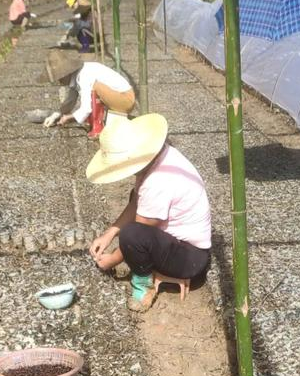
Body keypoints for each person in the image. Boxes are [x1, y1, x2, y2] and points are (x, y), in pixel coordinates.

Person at [87, 114, 211, 312]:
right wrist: (109, 234)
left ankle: (143, 285)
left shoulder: (158, 181)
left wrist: (111, 260)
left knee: (132, 235)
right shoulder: (161, 157)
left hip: (190, 258)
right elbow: (137, 202)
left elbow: (138, 233)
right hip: (179, 243)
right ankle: (151, 267)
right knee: (134, 204)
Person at [40, 50, 135, 138]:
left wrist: (68, 117)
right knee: (92, 91)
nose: (59, 81)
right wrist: (55, 115)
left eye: (60, 78)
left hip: (125, 99)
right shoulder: (78, 76)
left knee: (95, 88)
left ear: (66, 73)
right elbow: (70, 100)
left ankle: (98, 127)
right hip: (118, 97)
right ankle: (96, 123)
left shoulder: (85, 75)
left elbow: (86, 108)